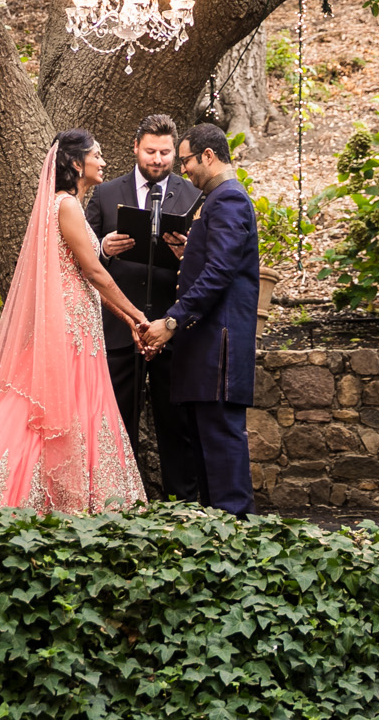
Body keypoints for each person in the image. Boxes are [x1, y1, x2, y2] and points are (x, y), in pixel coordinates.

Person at [0, 132, 149, 517]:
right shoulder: (68, 205)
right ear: (75, 163)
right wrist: (139, 315)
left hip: (80, 321)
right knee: (43, 411)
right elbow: (93, 271)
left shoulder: (65, 205)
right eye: (97, 156)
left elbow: (91, 275)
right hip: (70, 325)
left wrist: (127, 319)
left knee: (68, 409)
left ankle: (75, 501)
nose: (104, 162)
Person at [135, 122, 261, 517]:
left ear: (208, 156)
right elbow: (219, 262)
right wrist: (192, 252)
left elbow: (220, 273)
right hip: (206, 350)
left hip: (216, 351)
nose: (183, 169)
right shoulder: (222, 199)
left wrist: (170, 322)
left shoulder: (228, 199)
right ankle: (220, 537)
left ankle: (239, 536)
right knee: (208, 453)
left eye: (186, 160)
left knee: (222, 451)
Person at [82, 111, 204, 498]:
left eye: (166, 153)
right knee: (117, 422)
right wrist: (104, 247)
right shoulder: (105, 193)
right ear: (135, 148)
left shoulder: (191, 194)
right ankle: (118, 504)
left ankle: (182, 508)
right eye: (151, 151)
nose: (158, 160)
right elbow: (79, 254)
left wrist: (189, 254)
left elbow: (207, 264)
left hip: (172, 327)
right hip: (119, 327)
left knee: (177, 426)